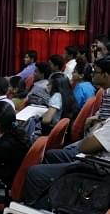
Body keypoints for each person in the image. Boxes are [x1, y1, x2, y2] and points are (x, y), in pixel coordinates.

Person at [23, 56, 110, 206]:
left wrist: (93, 131)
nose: (92, 75)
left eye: (95, 72)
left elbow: (87, 146)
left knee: (35, 173)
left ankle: (40, 213)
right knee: (51, 156)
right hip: (95, 157)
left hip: (97, 167)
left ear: (105, 75)